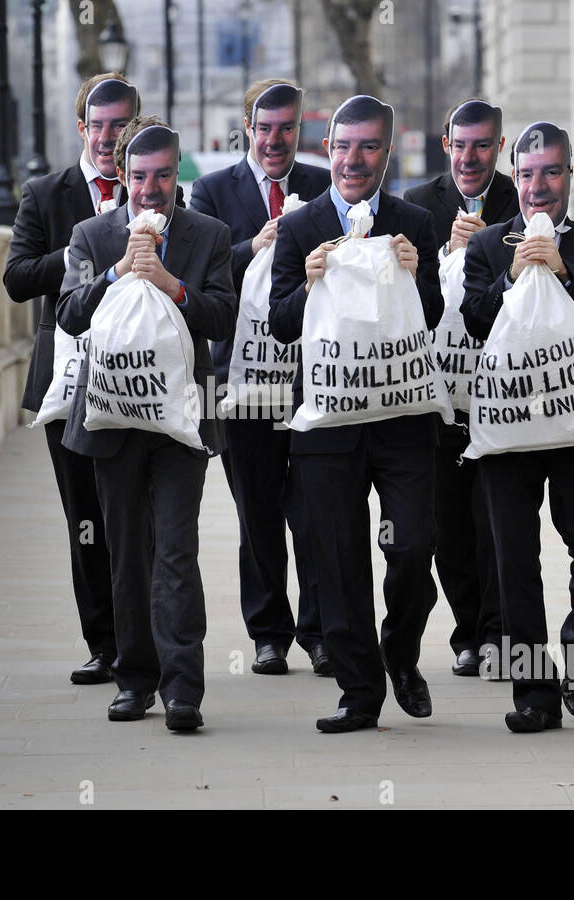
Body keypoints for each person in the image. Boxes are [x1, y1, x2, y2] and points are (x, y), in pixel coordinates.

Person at [269, 95, 444, 733]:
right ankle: (358, 691)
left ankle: (400, 652)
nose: (354, 159)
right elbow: (281, 325)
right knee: (336, 560)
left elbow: (428, 317)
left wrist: (418, 275)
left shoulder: (413, 223)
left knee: (414, 546)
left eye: (369, 146)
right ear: (328, 149)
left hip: (401, 421)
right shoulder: (299, 225)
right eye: (343, 146)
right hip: (326, 427)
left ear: (387, 153)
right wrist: (309, 282)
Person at [58, 117, 238, 732]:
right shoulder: (91, 236)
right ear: (122, 177)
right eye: (139, 176)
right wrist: (116, 275)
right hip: (111, 419)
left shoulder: (208, 235)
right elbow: (69, 315)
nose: (151, 188)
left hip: (181, 423)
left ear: (178, 174)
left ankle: (183, 688)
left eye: (163, 175)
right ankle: (134, 680)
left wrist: (172, 287)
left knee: (176, 551)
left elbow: (223, 318)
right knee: (126, 552)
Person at [462, 122, 574, 734]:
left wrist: (562, 273)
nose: (538, 187)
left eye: (551, 172)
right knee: (515, 563)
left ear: (569, 175)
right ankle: (533, 691)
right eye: (528, 174)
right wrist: (510, 279)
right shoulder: (486, 247)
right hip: (509, 430)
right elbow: (475, 320)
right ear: (515, 176)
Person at [188, 79, 332, 677]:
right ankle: (268, 633)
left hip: (315, 376)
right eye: (265, 128)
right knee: (259, 513)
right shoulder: (212, 190)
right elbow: (197, 268)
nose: (276, 141)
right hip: (241, 379)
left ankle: (322, 632)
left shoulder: (324, 185)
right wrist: (256, 245)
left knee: (319, 509)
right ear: (247, 127)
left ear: (302, 130)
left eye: (287, 129)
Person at [3, 74, 138, 686]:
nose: (109, 138)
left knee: (136, 517)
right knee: (84, 515)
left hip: (141, 378)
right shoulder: (45, 193)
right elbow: (17, 277)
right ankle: (104, 643)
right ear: (81, 128)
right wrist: (87, 247)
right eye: (99, 125)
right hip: (68, 377)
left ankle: (144, 640)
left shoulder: (158, 187)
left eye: (120, 125)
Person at [404, 98, 516, 679]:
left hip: (504, 392)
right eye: (460, 144)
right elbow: (411, 292)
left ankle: (499, 632)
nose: (470, 157)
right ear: (445, 144)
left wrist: (491, 257)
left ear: (500, 147)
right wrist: (448, 255)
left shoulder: (519, 199)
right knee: (449, 526)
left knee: (497, 520)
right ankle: (467, 631)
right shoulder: (419, 205)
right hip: (442, 396)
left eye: (483, 145)